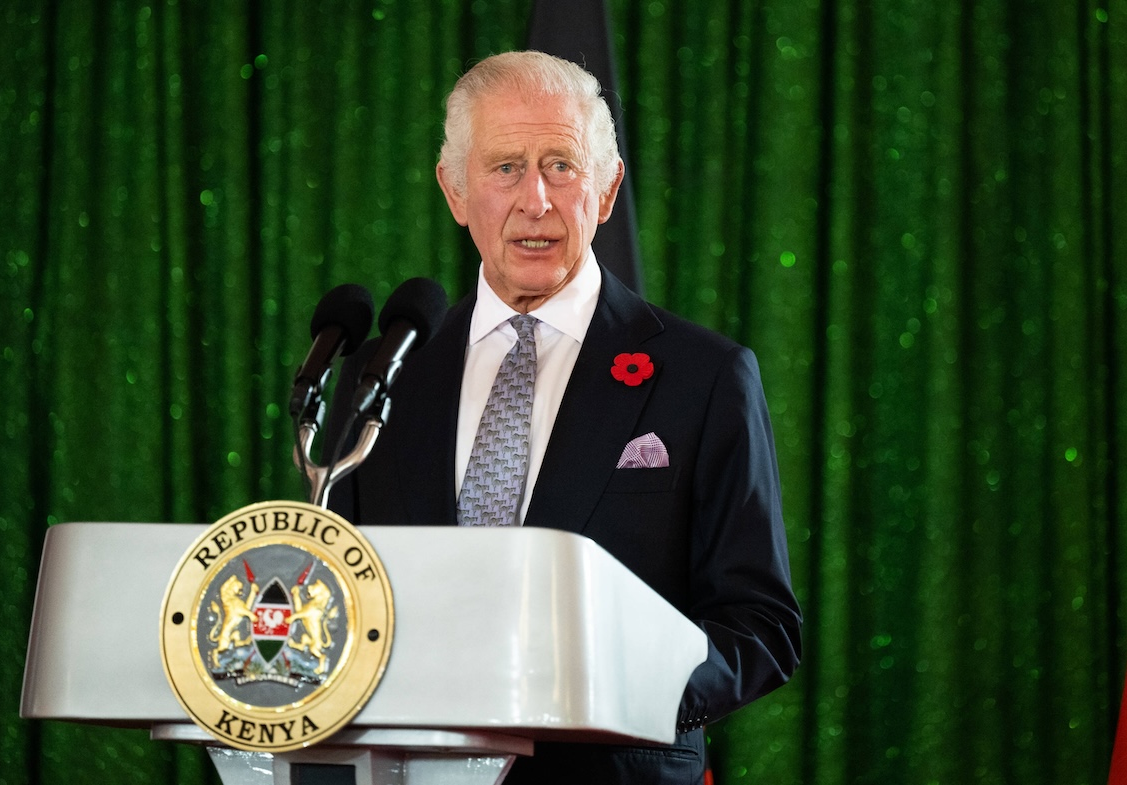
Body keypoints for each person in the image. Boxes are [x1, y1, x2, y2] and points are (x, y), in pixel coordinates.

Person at [327, 50, 801, 785]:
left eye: (562, 165)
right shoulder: (384, 382)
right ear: (454, 190)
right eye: (505, 167)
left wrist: (609, 693)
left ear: (607, 190)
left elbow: (760, 627)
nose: (537, 200)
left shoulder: (703, 379)